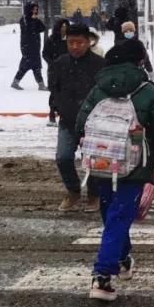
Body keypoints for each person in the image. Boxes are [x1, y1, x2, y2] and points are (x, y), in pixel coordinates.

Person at [76, 39, 154, 301]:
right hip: (134, 165)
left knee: (112, 214)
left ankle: (121, 259)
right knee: (119, 216)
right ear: (139, 61)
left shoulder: (99, 88)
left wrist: (84, 146)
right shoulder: (147, 91)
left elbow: (81, 121)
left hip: (101, 163)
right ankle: (102, 275)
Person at [49, 23, 105, 210]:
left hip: (93, 123)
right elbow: (54, 89)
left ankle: (94, 194)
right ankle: (73, 191)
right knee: (63, 157)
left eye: (79, 42)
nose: (75, 46)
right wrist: (56, 107)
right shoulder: (60, 63)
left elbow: (104, 93)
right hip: (67, 120)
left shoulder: (99, 64)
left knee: (92, 160)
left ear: (88, 42)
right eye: (71, 42)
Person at [11, 1, 47, 91]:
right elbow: (28, 30)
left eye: (36, 9)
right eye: (33, 9)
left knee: (35, 67)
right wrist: (34, 20)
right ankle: (40, 85)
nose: (35, 11)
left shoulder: (34, 19)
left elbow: (43, 28)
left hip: (35, 47)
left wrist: (37, 20)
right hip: (27, 47)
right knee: (28, 66)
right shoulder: (24, 19)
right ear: (29, 9)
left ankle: (40, 85)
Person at [43, 18, 70, 125]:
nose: (64, 29)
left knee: (67, 93)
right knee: (55, 93)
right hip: (54, 71)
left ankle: (64, 114)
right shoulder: (51, 40)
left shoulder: (69, 39)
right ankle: (52, 113)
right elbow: (45, 53)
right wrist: (52, 63)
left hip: (68, 69)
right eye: (62, 26)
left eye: (66, 26)